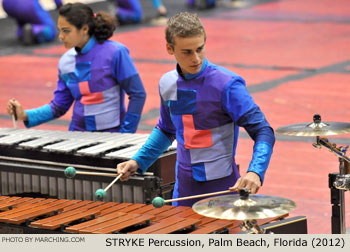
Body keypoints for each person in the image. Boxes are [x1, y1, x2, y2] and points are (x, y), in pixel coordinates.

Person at [116, 12, 275, 206]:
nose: (196, 58)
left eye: (200, 49)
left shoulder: (227, 85)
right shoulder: (167, 83)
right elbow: (167, 130)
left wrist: (255, 171)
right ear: (169, 48)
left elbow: (263, 131)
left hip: (223, 189)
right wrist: (138, 161)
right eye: (187, 52)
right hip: (183, 189)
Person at [6, 3, 146, 133]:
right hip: (77, 135)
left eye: (66, 31)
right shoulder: (66, 61)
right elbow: (59, 106)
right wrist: (24, 115)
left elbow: (138, 94)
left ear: (84, 29)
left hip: (112, 135)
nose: (61, 36)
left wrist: (126, 133)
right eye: (60, 30)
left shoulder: (116, 52)